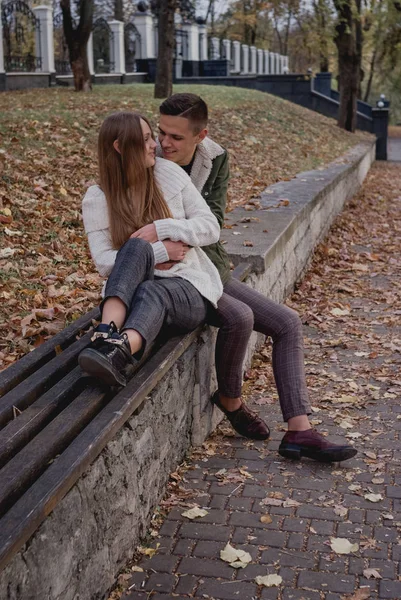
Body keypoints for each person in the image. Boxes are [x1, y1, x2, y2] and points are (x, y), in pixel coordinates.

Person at [157, 93, 358, 463]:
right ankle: (231, 400)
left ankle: (300, 431)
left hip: (210, 266)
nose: (164, 143)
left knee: (288, 322)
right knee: (239, 317)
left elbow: (213, 223)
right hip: (176, 275)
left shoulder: (213, 158)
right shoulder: (147, 160)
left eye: (176, 137)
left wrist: (189, 230)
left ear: (200, 136)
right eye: (161, 132)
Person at [78, 111, 224, 387]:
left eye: (151, 137)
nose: (155, 144)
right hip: (132, 295)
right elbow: (104, 262)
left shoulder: (167, 173)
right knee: (136, 248)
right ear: (120, 147)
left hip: (187, 287)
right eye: (145, 139)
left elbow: (210, 226)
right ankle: (105, 335)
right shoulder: (98, 199)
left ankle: (117, 352)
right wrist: (160, 251)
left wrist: (162, 228)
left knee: (151, 290)